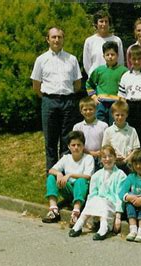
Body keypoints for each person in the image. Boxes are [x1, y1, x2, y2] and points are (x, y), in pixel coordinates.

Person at [31, 27, 82, 171]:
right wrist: (48, 98)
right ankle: (52, 179)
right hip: (49, 102)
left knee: (67, 140)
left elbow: (77, 84)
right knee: (51, 142)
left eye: (59, 37)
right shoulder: (41, 60)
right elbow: (36, 85)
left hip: (68, 102)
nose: (57, 40)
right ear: (48, 39)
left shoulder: (71, 59)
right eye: (53, 37)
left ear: (63, 39)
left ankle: (64, 176)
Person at [68, 145, 127, 240]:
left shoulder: (121, 175)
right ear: (100, 160)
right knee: (95, 198)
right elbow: (92, 195)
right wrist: (90, 216)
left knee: (102, 201)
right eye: (104, 157)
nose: (107, 159)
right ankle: (79, 224)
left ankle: (104, 228)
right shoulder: (96, 175)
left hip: (112, 205)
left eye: (110, 156)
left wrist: (118, 216)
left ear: (115, 158)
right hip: (97, 204)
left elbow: (120, 196)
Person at [41, 131, 94, 226]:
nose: (76, 147)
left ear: (83, 146)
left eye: (79, 145)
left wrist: (69, 175)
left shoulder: (88, 158)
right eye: (73, 145)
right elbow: (51, 170)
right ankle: (53, 210)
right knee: (51, 177)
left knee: (80, 181)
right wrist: (58, 174)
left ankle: (76, 213)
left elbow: (88, 176)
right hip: (69, 190)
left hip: (82, 191)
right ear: (69, 147)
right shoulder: (66, 158)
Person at [85, 41, 128, 125]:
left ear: (117, 55)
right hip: (101, 103)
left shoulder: (124, 71)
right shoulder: (99, 70)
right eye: (107, 55)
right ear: (103, 56)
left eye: (112, 54)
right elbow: (89, 84)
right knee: (100, 125)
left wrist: (124, 100)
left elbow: (128, 87)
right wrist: (93, 97)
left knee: (115, 125)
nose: (110, 57)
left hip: (116, 104)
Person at [102, 100, 140, 173]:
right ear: (112, 114)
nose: (120, 117)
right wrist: (114, 157)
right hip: (113, 164)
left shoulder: (132, 130)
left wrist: (126, 160)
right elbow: (104, 149)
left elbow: (136, 149)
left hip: (129, 165)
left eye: (122, 115)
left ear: (127, 115)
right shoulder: (108, 131)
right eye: (117, 115)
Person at [82, 10, 124, 75]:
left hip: (113, 78)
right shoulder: (89, 41)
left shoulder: (117, 40)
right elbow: (87, 64)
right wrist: (93, 77)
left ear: (109, 23)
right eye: (101, 21)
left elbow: (120, 62)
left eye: (106, 21)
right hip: (96, 80)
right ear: (96, 23)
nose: (104, 24)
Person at [73, 97, 108, 170]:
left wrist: (99, 153)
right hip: (83, 158)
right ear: (81, 111)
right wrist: (90, 153)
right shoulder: (77, 127)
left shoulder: (103, 126)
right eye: (85, 110)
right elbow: (75, 144)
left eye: (90, 109)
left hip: (100, 158)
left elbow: (106, 143)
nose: (88, 112)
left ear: (95, 109)